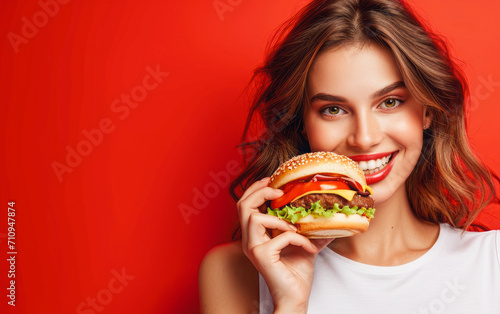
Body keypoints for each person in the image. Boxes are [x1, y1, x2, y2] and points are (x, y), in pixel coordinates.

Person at [198, 0, 500, 313]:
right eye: (334, 110)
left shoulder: (493, 262)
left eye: (390, 102)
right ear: (302, 125)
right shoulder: (236, 271)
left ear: (426, 111)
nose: (365, 138)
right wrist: (290, 302)